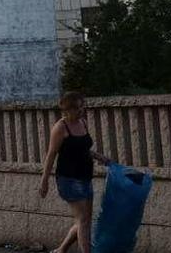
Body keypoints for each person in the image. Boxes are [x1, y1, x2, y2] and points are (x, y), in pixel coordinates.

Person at [39, 91, 111, 253]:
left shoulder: (83, 123)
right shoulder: (60, 128)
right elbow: (51, 155)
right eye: (78, 108)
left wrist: (99, 156)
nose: (82, 111)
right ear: (67, 110)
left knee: (83, 220)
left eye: (82, 107)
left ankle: (61, 249)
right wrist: (44, 181)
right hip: (68, 180)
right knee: (83, 220)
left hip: (85, 177)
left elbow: (83, 149)